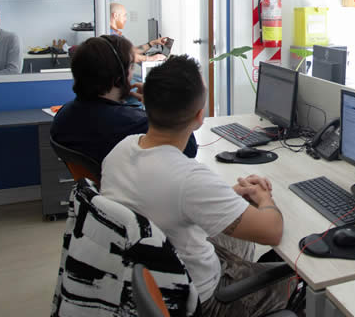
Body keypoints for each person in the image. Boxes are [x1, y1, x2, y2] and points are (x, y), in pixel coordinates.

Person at [101, 55, 290, 317]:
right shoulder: (189, 178)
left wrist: (227, 196)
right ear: (200, 116)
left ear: (146, 103)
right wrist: (264, 196)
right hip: (203, 299)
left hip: (149, 278)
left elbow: (166, 201)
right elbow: (272, 232)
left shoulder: (120, 150)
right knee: (293, 281)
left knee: (243, 242)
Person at [51, 35, 197, 165]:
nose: (133, 74)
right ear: (119, 76)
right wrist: (161, 106)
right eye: (132, 67)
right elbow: (188, 149)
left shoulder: (64, 114)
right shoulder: (133, 124)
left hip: (101, 186)